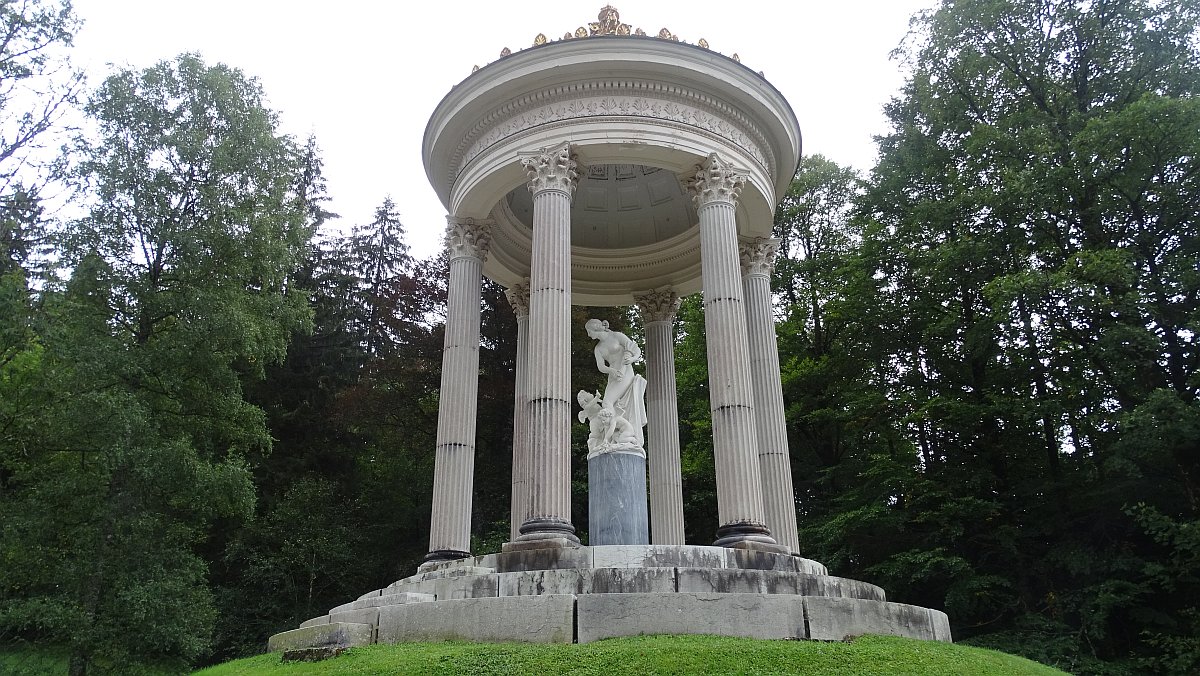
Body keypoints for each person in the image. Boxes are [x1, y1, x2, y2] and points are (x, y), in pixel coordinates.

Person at [583, 318, 647, 445]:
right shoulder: (598, 348)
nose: (589, 335)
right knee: (608, 403)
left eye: (589, 331)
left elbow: (635, 349)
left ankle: (613, 435)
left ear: (596, 328)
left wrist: (632, 359)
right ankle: (614, 436)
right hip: (613, 376)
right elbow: (601, 367)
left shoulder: (617, 336)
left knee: (607, 402)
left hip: (625, 372)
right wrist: (611, 371)